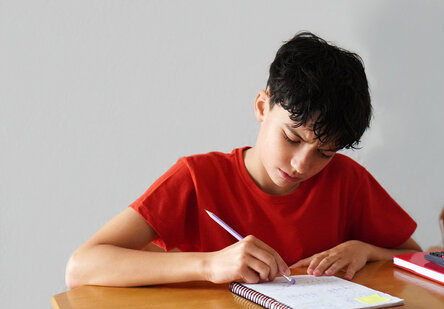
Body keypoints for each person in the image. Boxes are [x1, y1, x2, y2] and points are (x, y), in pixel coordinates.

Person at [65, 31, 421, 289]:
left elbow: (415, 257)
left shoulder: (347, 181)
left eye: (325, 153)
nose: (301, 165)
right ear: (262, 107)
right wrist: (209, 263)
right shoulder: (197, 178)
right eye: (292, 138)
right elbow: (81, 267)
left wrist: (365, 250)